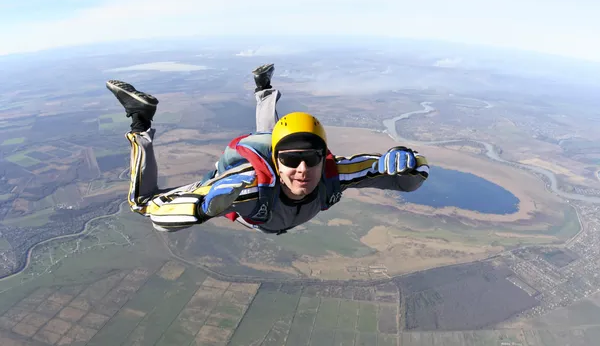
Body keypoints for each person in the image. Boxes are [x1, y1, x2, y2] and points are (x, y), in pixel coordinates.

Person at [106, 63, 430, 235]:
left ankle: (264, 89)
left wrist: (408, 160)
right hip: (243, 180)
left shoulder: (335, 173)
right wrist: (202, 208)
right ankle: (140, 123)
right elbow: (157, 215)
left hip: (268, 164)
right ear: (277, 162)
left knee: (269, 134)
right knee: (141, 202)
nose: (302, 169)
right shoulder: (245, 188)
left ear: (324, 157)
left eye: (312, 158)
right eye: (291, 160)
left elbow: (407, 176)